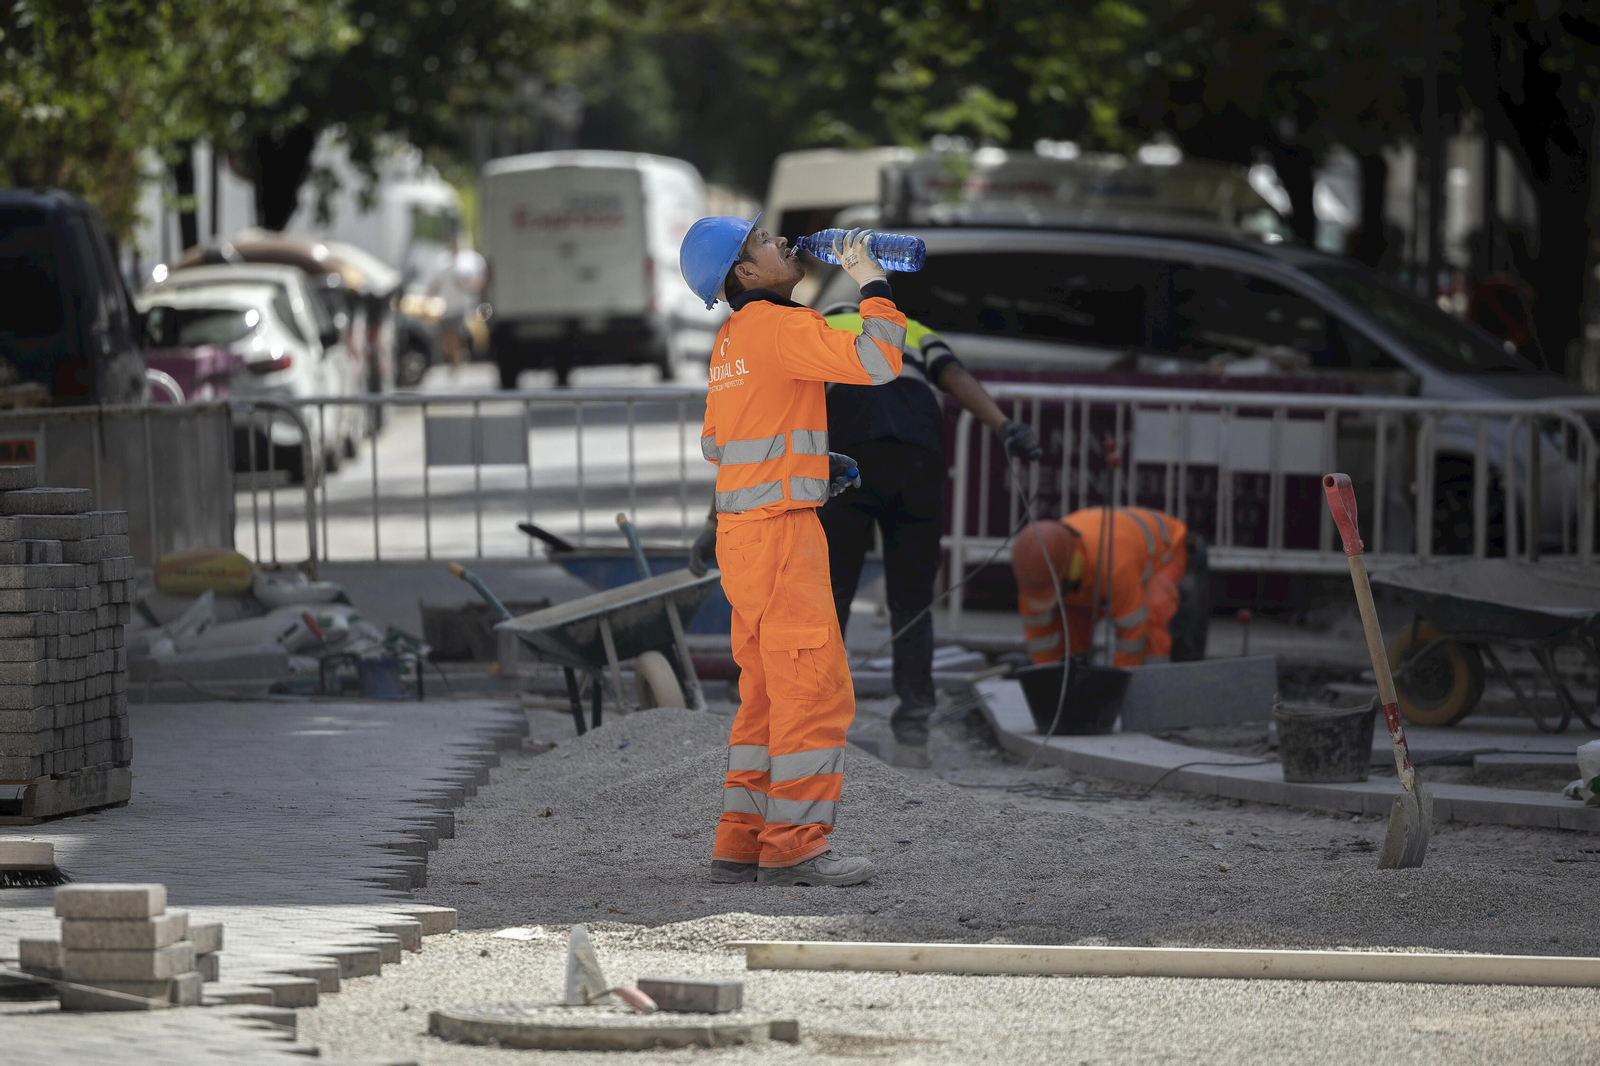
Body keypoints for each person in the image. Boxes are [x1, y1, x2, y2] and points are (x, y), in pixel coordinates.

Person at [680, 215, 904, 888]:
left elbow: (721, 443)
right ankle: (797, 847)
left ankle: (741, 843)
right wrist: (872, 281)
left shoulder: (731, 342)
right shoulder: (788, 326)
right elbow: (880, 359)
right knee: (813, 692)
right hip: (782, 535)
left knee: (766, 699)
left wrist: (806, 457)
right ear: (745, 275)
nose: (781, 242)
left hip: (743, 537)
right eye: (763, 242)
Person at [811, 301, 1041, 768]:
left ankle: (819, 730)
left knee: (830, 598)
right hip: (917, 458)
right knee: (911, 601)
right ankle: (914, 731)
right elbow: (955, 377)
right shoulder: (910, 328)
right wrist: (1005, 427)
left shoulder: (814, 326)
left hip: (845, 456)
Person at [1009, 507, 1190, 668]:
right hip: (1112, 556)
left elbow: (1132, 634)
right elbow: (1040, 640)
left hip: (1166, 549)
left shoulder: (1113, 566)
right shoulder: (1035, 574)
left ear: (1073, 569)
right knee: (1072, 618)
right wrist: (1048, 683)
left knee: (1152, 613)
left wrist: (1121, 687)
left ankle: (1156, 683)